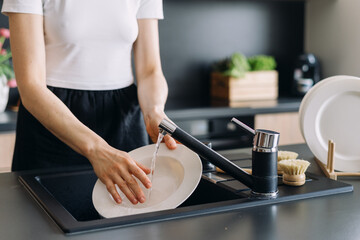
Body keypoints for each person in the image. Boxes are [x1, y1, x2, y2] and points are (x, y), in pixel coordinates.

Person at [1, 0, 177, 205]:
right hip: (52, 123)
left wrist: (154, 112)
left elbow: (150, 71)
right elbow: (31, 86)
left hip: (123, 121)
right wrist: (95, 148)